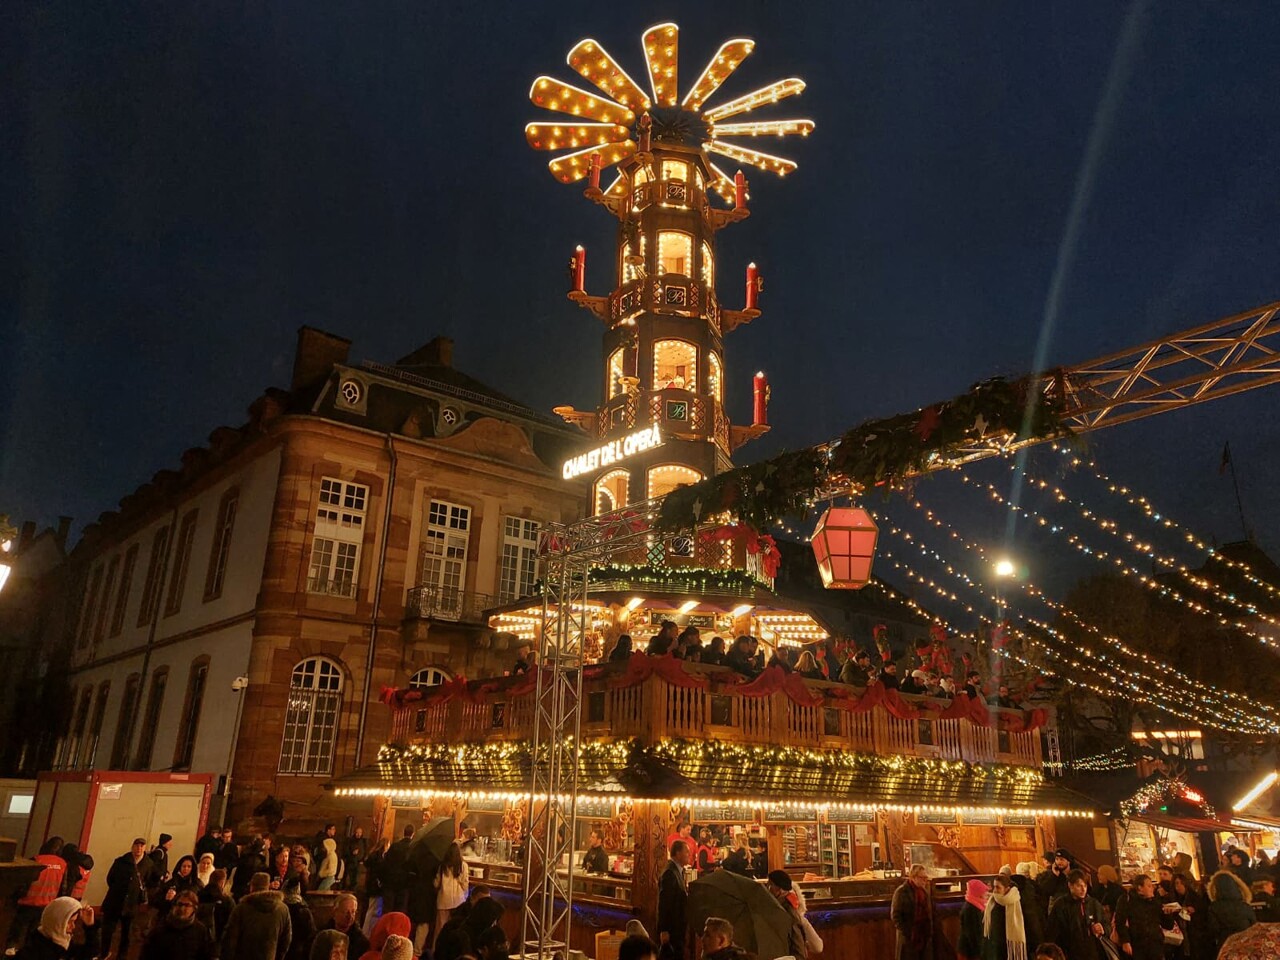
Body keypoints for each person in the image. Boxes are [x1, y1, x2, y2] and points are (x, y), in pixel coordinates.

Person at [100, 837, 156, 959]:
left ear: (144, 848)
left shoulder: (148, 864)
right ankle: (103, 953)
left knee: (127, 933)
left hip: (132, 904)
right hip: (115, 901)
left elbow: (149, 880)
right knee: (107, 931)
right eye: (137, 845)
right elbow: (111, 878)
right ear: (132, 847)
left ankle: (122, 955)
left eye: (142, 846)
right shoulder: (121, 861)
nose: (139, 848)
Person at [12, 837, 67, 949]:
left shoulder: (36, 859)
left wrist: (14, 898)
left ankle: (11, 951)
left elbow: (22, 882)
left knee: (17, 931)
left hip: (27, 902)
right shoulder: (63, 864)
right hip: (47, 904)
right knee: (34, 933)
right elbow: (64, 887)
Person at [222, 872, 292, 960]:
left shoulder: (241, 908)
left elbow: (230, 939)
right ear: (268, 887)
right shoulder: (282, 909)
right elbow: (286, 939)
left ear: (252, 887)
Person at [1045, 869, 1105, 960]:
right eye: (1078, 886)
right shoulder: (1061, 905)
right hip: (1069, 953)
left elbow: (1106, 924)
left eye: (1085, 885)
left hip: (1093, 953)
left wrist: (1102, 928)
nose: (1083, 889)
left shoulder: (1093, 903)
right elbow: (1052, 931)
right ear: (1070, 886)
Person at [15, 897, 100, 960]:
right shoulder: (34, 952)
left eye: (74, 922)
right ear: (58, 921)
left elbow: (90, 952)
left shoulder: (62, 943)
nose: (73, 926)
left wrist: (90, 926)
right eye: (69, 922)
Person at [140, 889, 215, 960]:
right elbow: (147, 954)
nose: (182, 908)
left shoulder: (200, 931)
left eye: (187, 905)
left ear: (194, 908)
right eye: (179, 904)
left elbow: (205, 955)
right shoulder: (161, 928)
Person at [766, 869, 818, 959]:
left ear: (779, 889)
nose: (768, 888)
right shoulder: (784, 909)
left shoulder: (787, 912)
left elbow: (801, 946)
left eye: (770, 885)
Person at [433, 897, 503, 960]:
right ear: (485, 920)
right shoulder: (461, 937)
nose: (494, 925)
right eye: (493, 921)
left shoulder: (477, 934)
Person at [1114, 874, 1164, 960]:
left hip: (1155, 945)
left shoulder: (1154, 901)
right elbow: (1120, 922)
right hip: (1136, 945)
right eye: (1149, 886)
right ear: (1140, 888)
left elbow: (1167, 924)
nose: (1152, 888)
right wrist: (1125, 941)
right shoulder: (1126, 900)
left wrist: (1167, 913)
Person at [1205, 869, 1254, 952]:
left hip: (1226, 945)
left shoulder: (1214, 907)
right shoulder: (1244, 906)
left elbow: (1214, 929)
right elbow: (1253, 925)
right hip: (1245, 944)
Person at [983, 872, 1029, 960]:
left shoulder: (1018, 902)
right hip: (995, 946)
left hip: (1009, 946)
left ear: (1007, 889)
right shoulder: (992, 902)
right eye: (994, 886)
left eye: (998, 887)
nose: (995, 890)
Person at [657, 840, 691, 959]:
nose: (689, 854)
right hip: (671, 929)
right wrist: (664, 930)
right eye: (686, 851)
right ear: (677, 853)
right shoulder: (670, 873)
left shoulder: (679, 871)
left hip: (678, 928)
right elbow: (664, 903)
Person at [891, 864, 932, 960]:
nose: (925, 881)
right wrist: (907, 931)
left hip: (922, 936)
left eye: (925, 878)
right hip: (909, 937)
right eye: (922, 878)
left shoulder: (924, 892)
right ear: (913, 877)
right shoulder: (902, 892)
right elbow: (895, 915)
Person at [433, 842, 468, 949]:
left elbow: (436, 883)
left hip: (443, 900)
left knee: (440, 929)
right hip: (458, 902)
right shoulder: (463, 866)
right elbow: (465, 884)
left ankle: (437, 950)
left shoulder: (442, 866)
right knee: (455, 929)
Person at [1172, 873, 1212, 960]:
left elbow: (1202, 915)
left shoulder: (1194, 898)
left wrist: (1192, 911)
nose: (1178, 886)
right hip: (1182, 936)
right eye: (1176, 883)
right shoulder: (1174, 899)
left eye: (1180, 883)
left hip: (1195, 935)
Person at [319, 894, 370, 959]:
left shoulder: (361, 942)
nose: (350, 916)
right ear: (335, 911)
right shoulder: (322, 935)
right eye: (345, 912)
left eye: (353, 912)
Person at [197, 867, 235, 951]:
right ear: (222, 883)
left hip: (198, 937)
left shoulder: (198, 895)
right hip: (217, 940)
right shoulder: (227, 901)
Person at [361, 838, 391, 936]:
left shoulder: (373, 856)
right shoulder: (379, 858)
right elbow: (379, 872)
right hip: (376, 888)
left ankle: (367, 931)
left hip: (371, 886)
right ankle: (368, 932)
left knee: (371, 910)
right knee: (374, 911)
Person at [282, 875, 316, 960]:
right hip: (298, 950)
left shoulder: (280, 908)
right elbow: (311, 932)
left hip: (282, 949)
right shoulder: (303, 909)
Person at [958, 878, 988, 960]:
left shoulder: (976, 904)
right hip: (969, 951)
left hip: (973, 949)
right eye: (983, 891)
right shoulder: (970, 908)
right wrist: (979, 952)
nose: (986, 893)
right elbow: (970, 933)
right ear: (977, 892)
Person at [341, 827, 367, 892]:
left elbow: (365, 851)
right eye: (357, 832)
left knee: (356, 879)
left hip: (358, 863)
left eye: (360, 832)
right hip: (351, 862)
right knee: (349, 878)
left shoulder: (363, 841)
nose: (358, 834)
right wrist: (352, 853)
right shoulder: (350, 841)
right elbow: (345, 851)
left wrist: (363, 860)